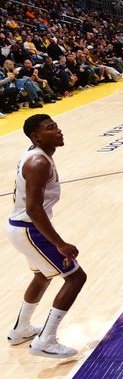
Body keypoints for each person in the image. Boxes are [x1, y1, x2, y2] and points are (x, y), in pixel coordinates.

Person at [6, 114, 88, 358]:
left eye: (57, 126)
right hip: (30, 229)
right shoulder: (38, 163)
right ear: (36, 136)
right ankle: (46, 340)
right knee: (75, 278)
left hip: (22, 228)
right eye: (51, 129)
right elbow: (33, 208)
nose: (58, 131)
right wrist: (59, 243)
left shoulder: (37, 154)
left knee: (42, 277)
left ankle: (21, 329)